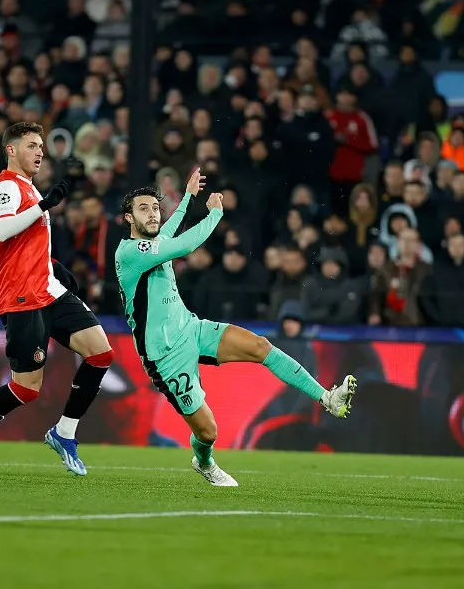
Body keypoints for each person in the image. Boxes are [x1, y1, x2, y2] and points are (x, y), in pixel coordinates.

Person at [115, 169, 356, 487]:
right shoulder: (129, 253)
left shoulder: (153, 244)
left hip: (191, 328)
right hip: (164, 354)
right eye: (143, 208)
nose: (152, 213)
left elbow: (168, 236)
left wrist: (188, 197)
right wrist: (214, 214)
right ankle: (204, 462)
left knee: (261, 347)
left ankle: (328, 399)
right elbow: (183, 245)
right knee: (207, 432)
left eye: (155, 207)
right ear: (128, 218)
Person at [0, 122, 114, 482]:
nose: (39, 152)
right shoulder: (5, 186)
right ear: (11, 149)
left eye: (41, 146)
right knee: (26, 388)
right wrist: (45, 205)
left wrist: (55, 267)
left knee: (101, 352)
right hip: (21, 298)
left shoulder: (30, 190)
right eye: (32, 145)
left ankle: (64, 432)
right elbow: (1, 231)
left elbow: (26, 245)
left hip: (48, 290)